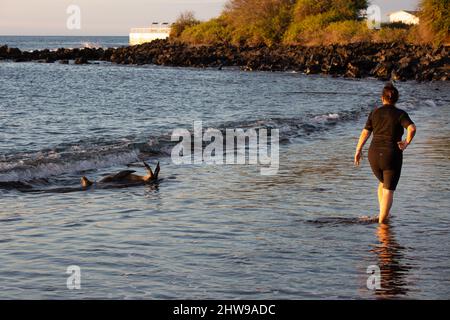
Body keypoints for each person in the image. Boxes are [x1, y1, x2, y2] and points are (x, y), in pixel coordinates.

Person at [354, 83, 416, 224]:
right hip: (391, 155)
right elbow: (412, 128)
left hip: (373, 155)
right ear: (396, 99)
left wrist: (358, 150)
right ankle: (382, 223)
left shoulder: (374, 112)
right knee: (388, 189)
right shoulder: (400, 114)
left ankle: (382, 214)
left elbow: (365, 132)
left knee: (383, 182)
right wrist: (406, 142)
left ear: (382, 98)